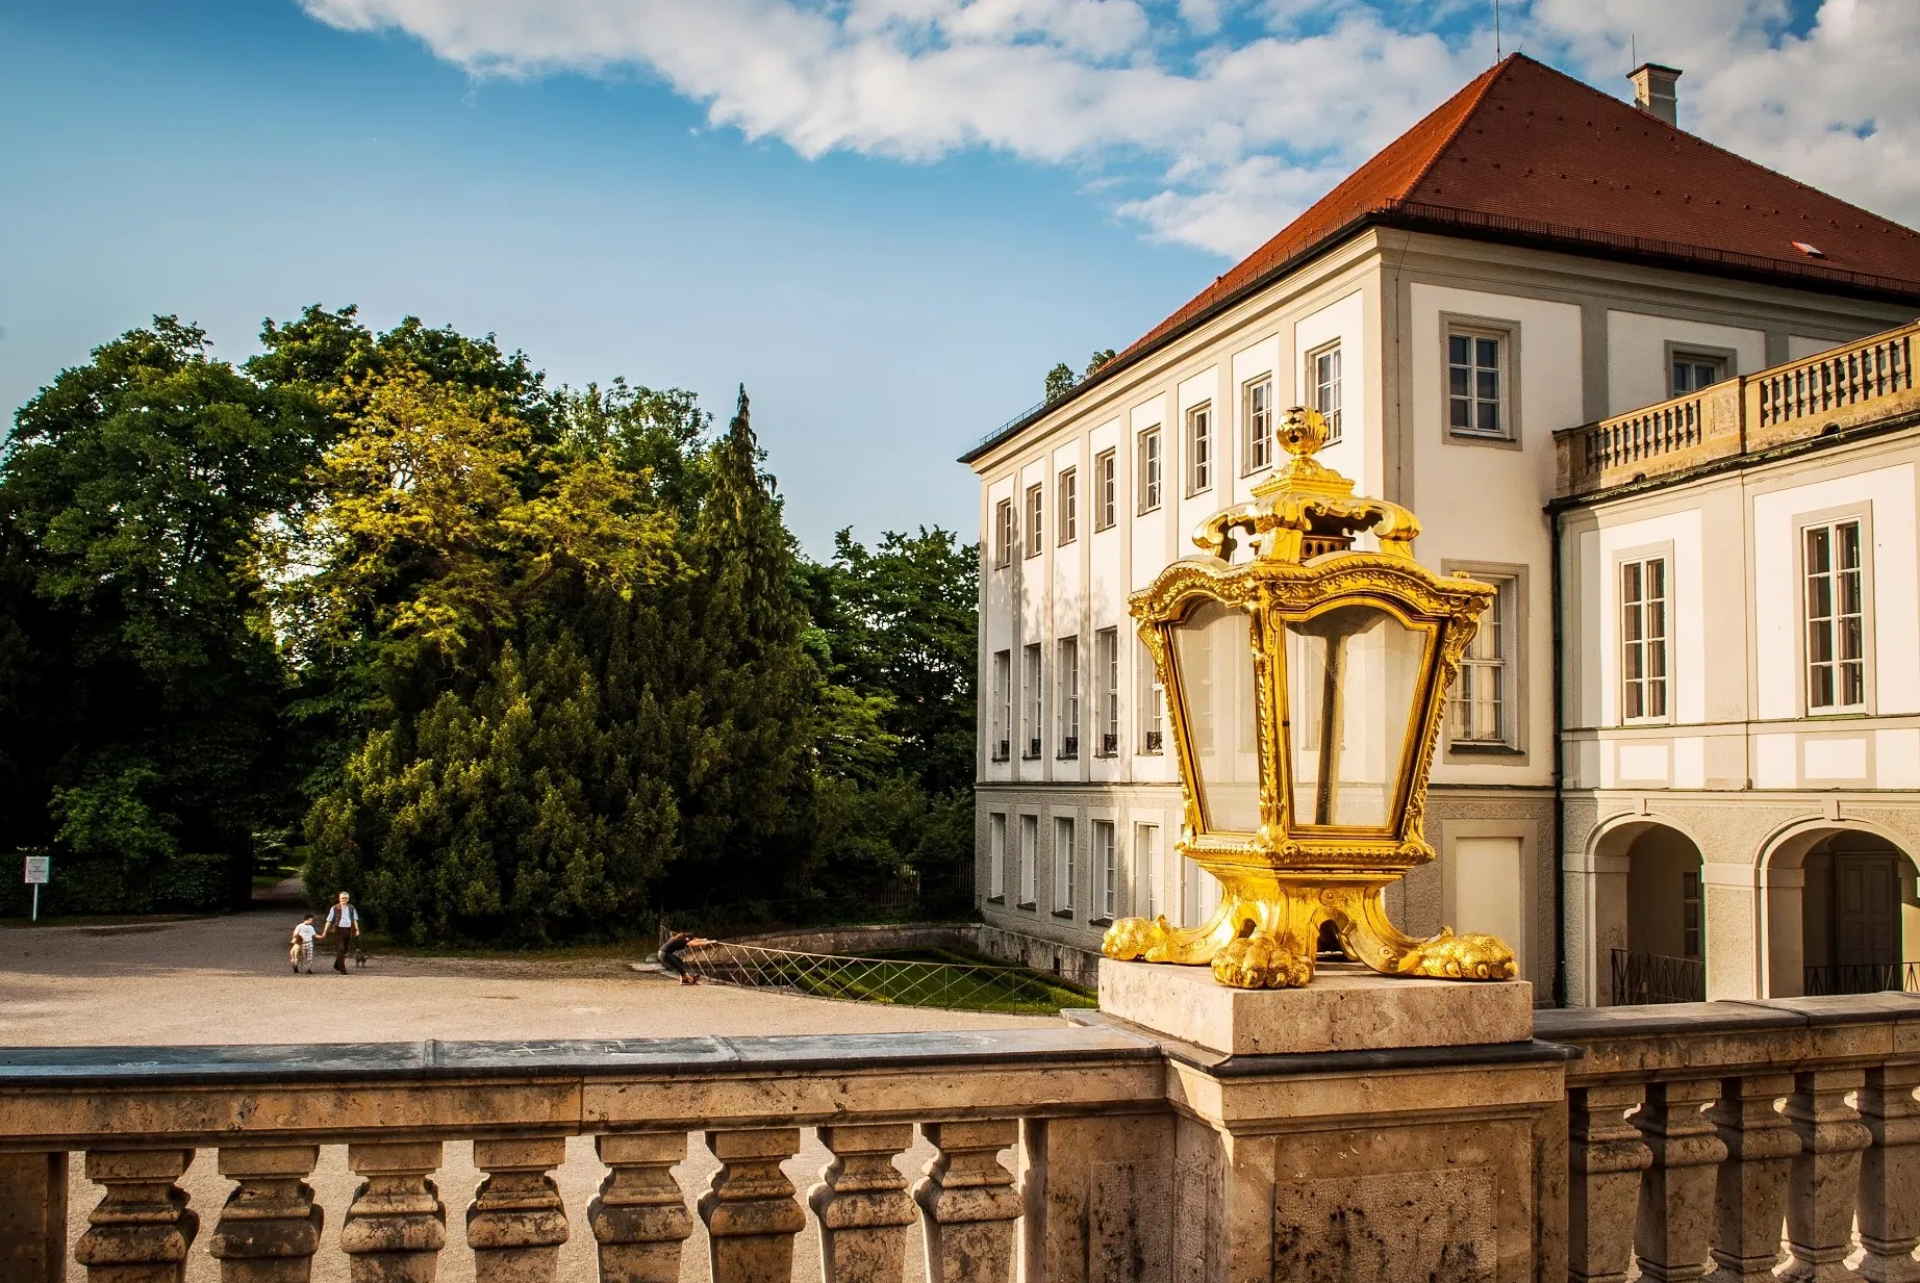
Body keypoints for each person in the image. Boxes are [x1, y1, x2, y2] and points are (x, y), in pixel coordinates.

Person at [319, 892, 360, 974]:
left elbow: (354, 919)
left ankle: (337, 964)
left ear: (348, 899)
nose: (344, 899)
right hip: (338, 930)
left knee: (344, 949)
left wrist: (357, 929)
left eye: (346, 898)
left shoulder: (351, 907)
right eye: (343, 898)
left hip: (348, 930)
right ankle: (342, 969)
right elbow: (329, 921)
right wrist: (325, 931)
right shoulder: (334, 908)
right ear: (339, 899)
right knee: (340, 948)